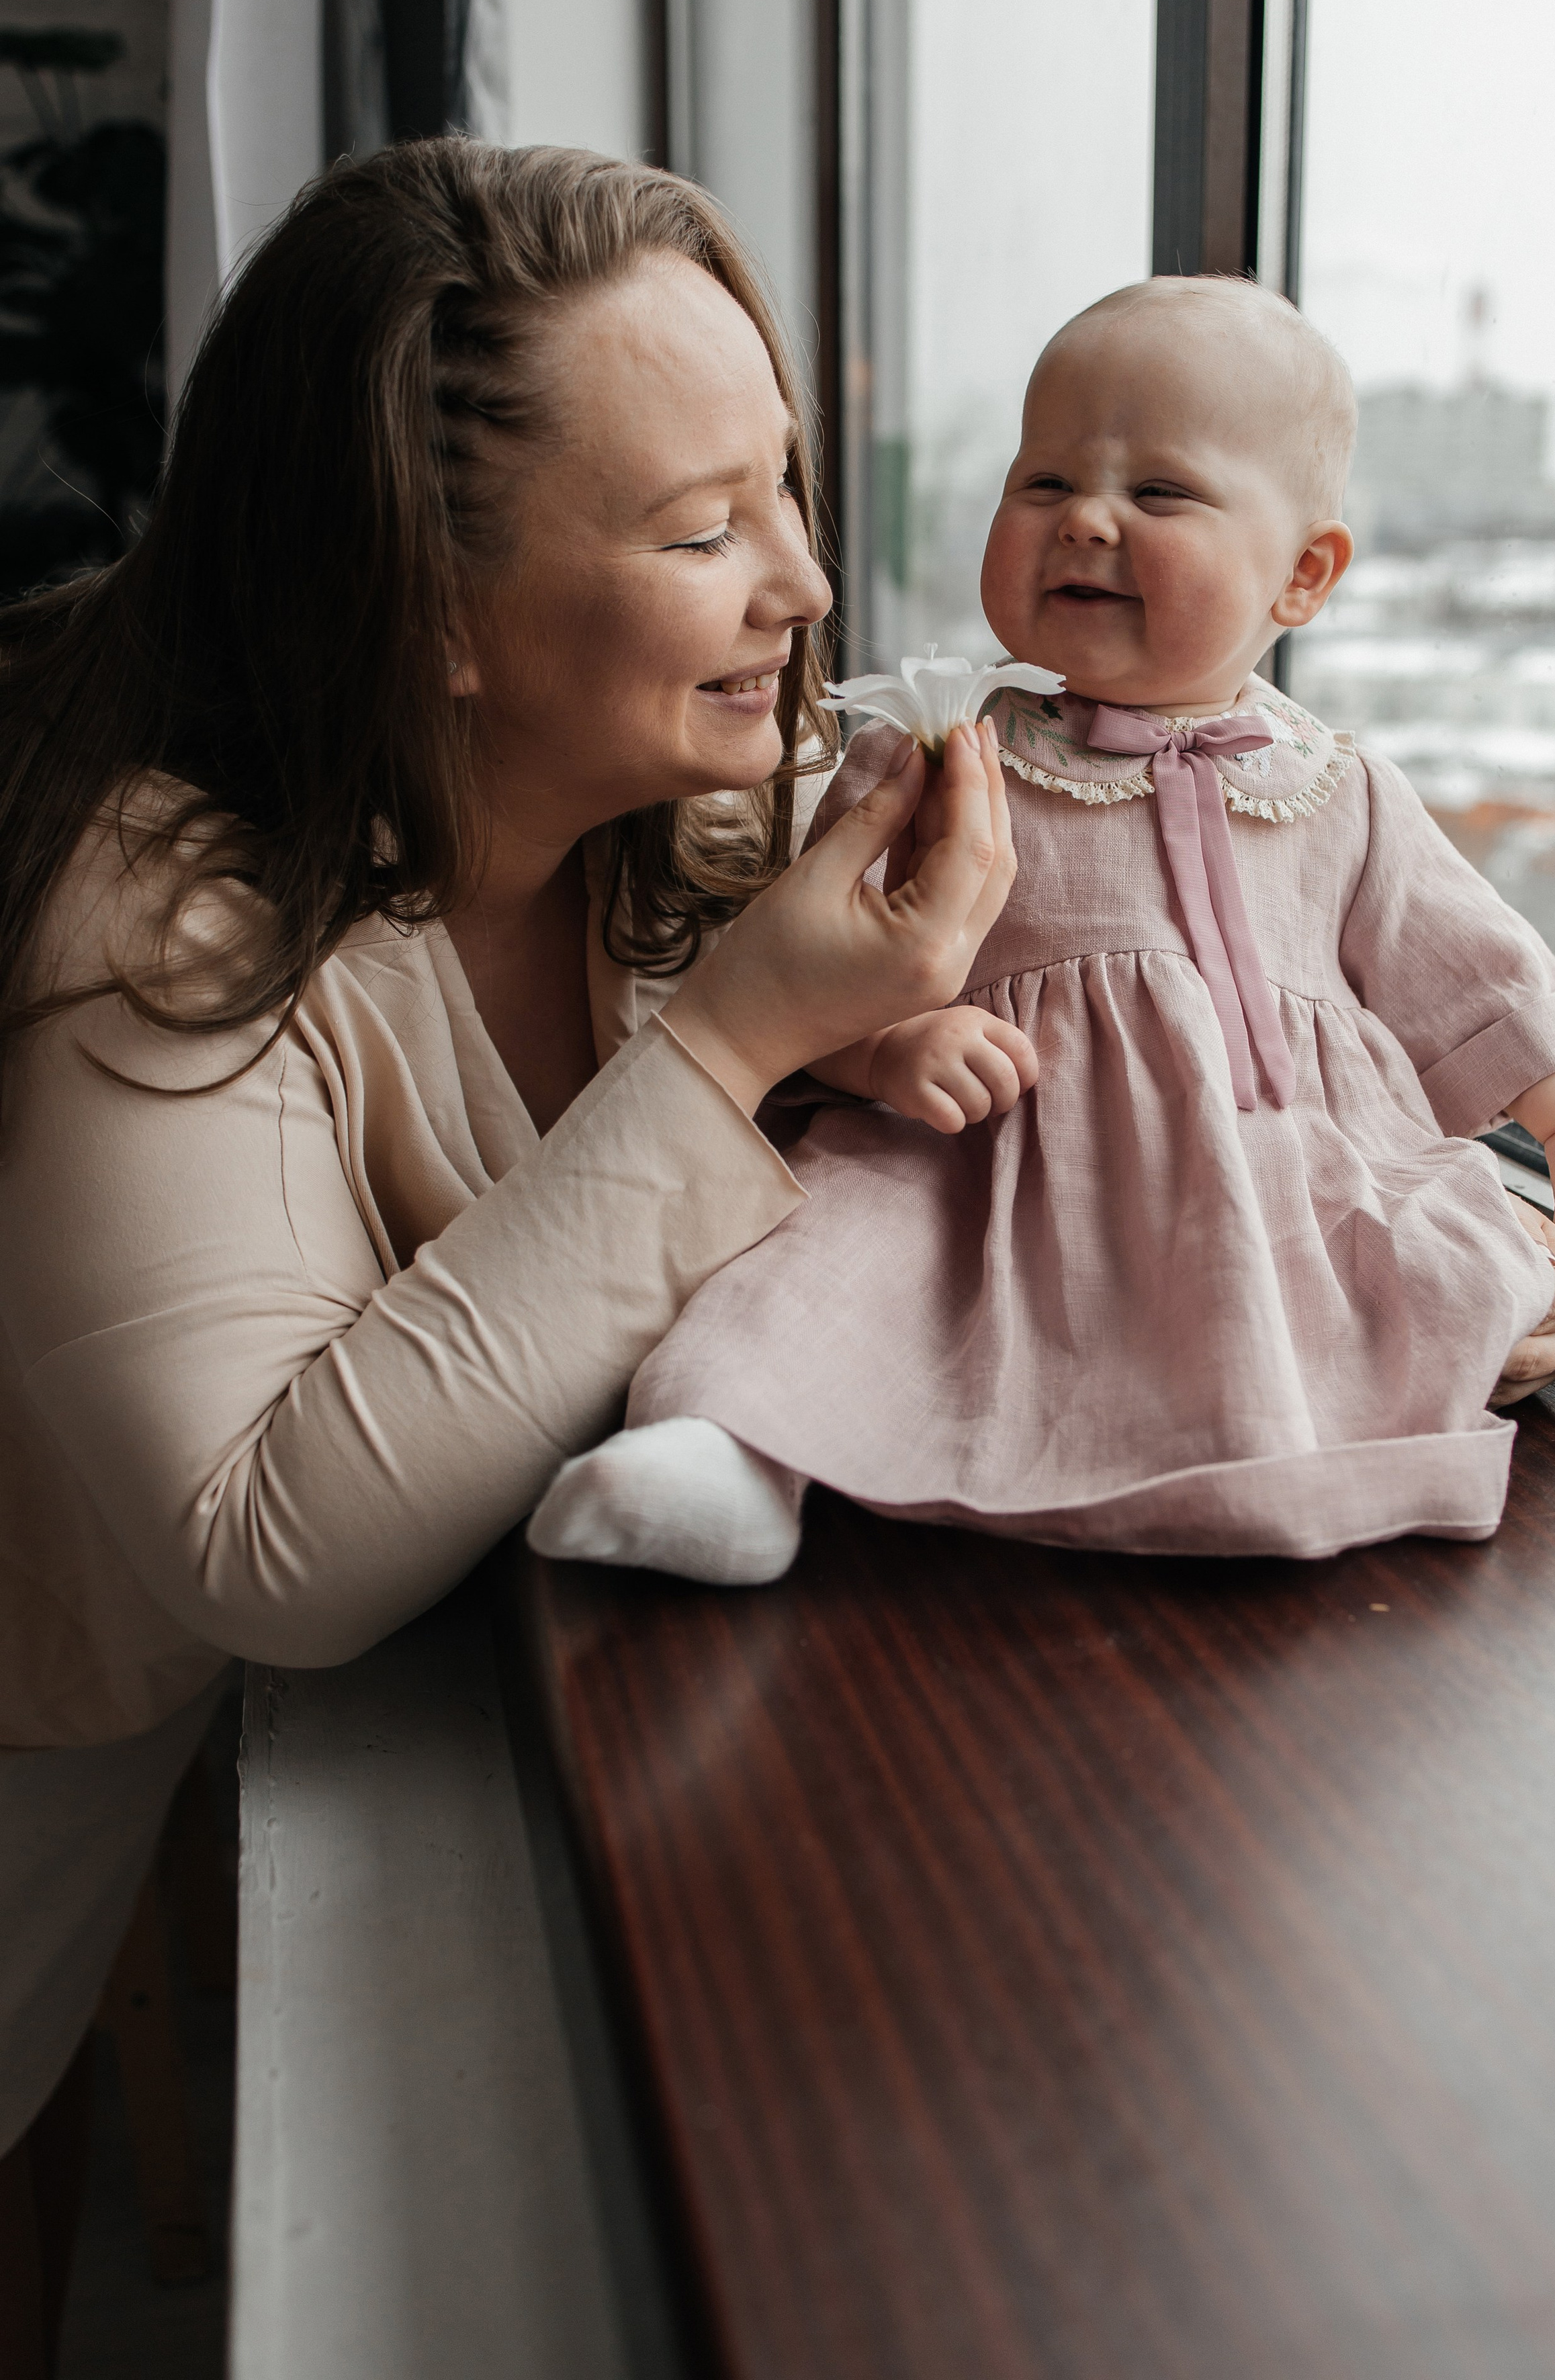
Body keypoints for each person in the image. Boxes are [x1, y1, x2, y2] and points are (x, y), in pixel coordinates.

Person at [0, 141, 1019, 2255]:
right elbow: (266, 1545)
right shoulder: (159, 909)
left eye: (787, 485)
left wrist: (1433, 1233)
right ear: (429, 610)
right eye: (702, 529)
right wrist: (733, 1045)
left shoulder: (685, 831)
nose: (805, 585)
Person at [532, 275, 1555, 1583]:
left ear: (1303, 574)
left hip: (1275, 1172)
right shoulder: (938, 754)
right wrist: (886, 1050)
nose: (1084, 518)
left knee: (1477, 1254)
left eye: (1157, 492)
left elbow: (1472, 971)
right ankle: (722, 1457)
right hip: (977, 1175)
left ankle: (1349, 1391)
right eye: (1042, 482)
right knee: (814, 1267)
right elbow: (805, 979)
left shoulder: (1340, 789)